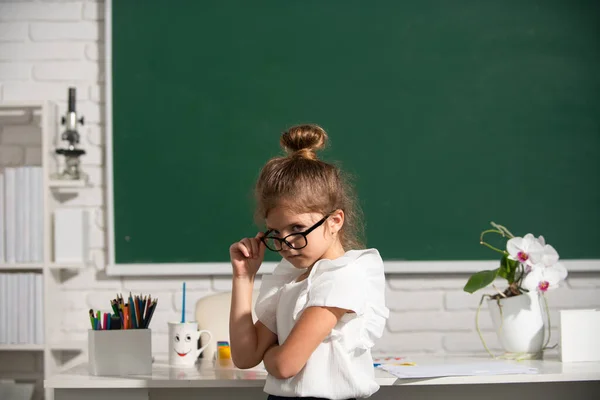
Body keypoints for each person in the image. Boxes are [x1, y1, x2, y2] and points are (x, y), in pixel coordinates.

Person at [229, 124, 389, 400]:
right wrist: (244, 278)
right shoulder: (292, 277)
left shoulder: (343, 277)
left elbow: (284, 365)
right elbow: (245, 357)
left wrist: (270, 353)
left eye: (297, 228)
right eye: (275, 233)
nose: (286, 243)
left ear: (335, 221)